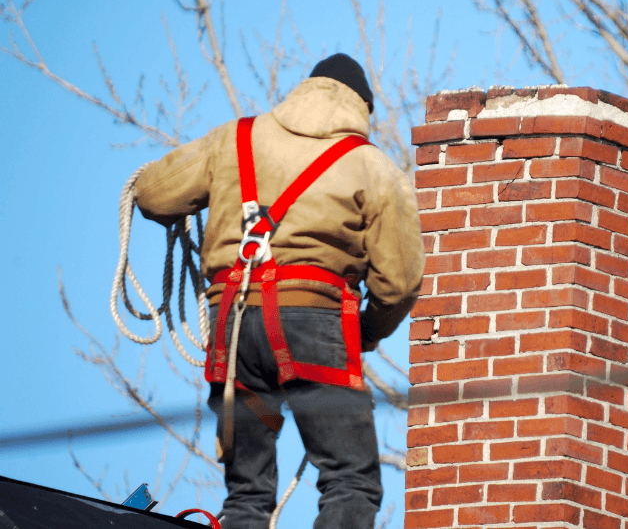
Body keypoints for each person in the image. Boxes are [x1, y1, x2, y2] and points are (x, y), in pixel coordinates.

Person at [134, 53, 424, 529]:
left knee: (247, 493)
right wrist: (367, 332)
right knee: (351, 479)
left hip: (232, 327)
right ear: (362, 109)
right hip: (313, 325)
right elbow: (399, 283)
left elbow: (152, 194)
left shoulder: (233, 138)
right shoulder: (373, 168)